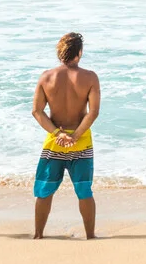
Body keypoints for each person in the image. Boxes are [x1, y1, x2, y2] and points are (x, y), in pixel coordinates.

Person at [31, 32, 101, 240]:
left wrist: (57, 133)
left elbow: (37, 111)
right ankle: (90, 236)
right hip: (81, 144)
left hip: (55, 143)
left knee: (45, 190)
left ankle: (38, 235)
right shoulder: (90, 77)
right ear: (79, 52)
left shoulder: (47, 77)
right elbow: (93, 112)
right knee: (84, 190)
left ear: (60, 52)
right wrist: (77, 135)